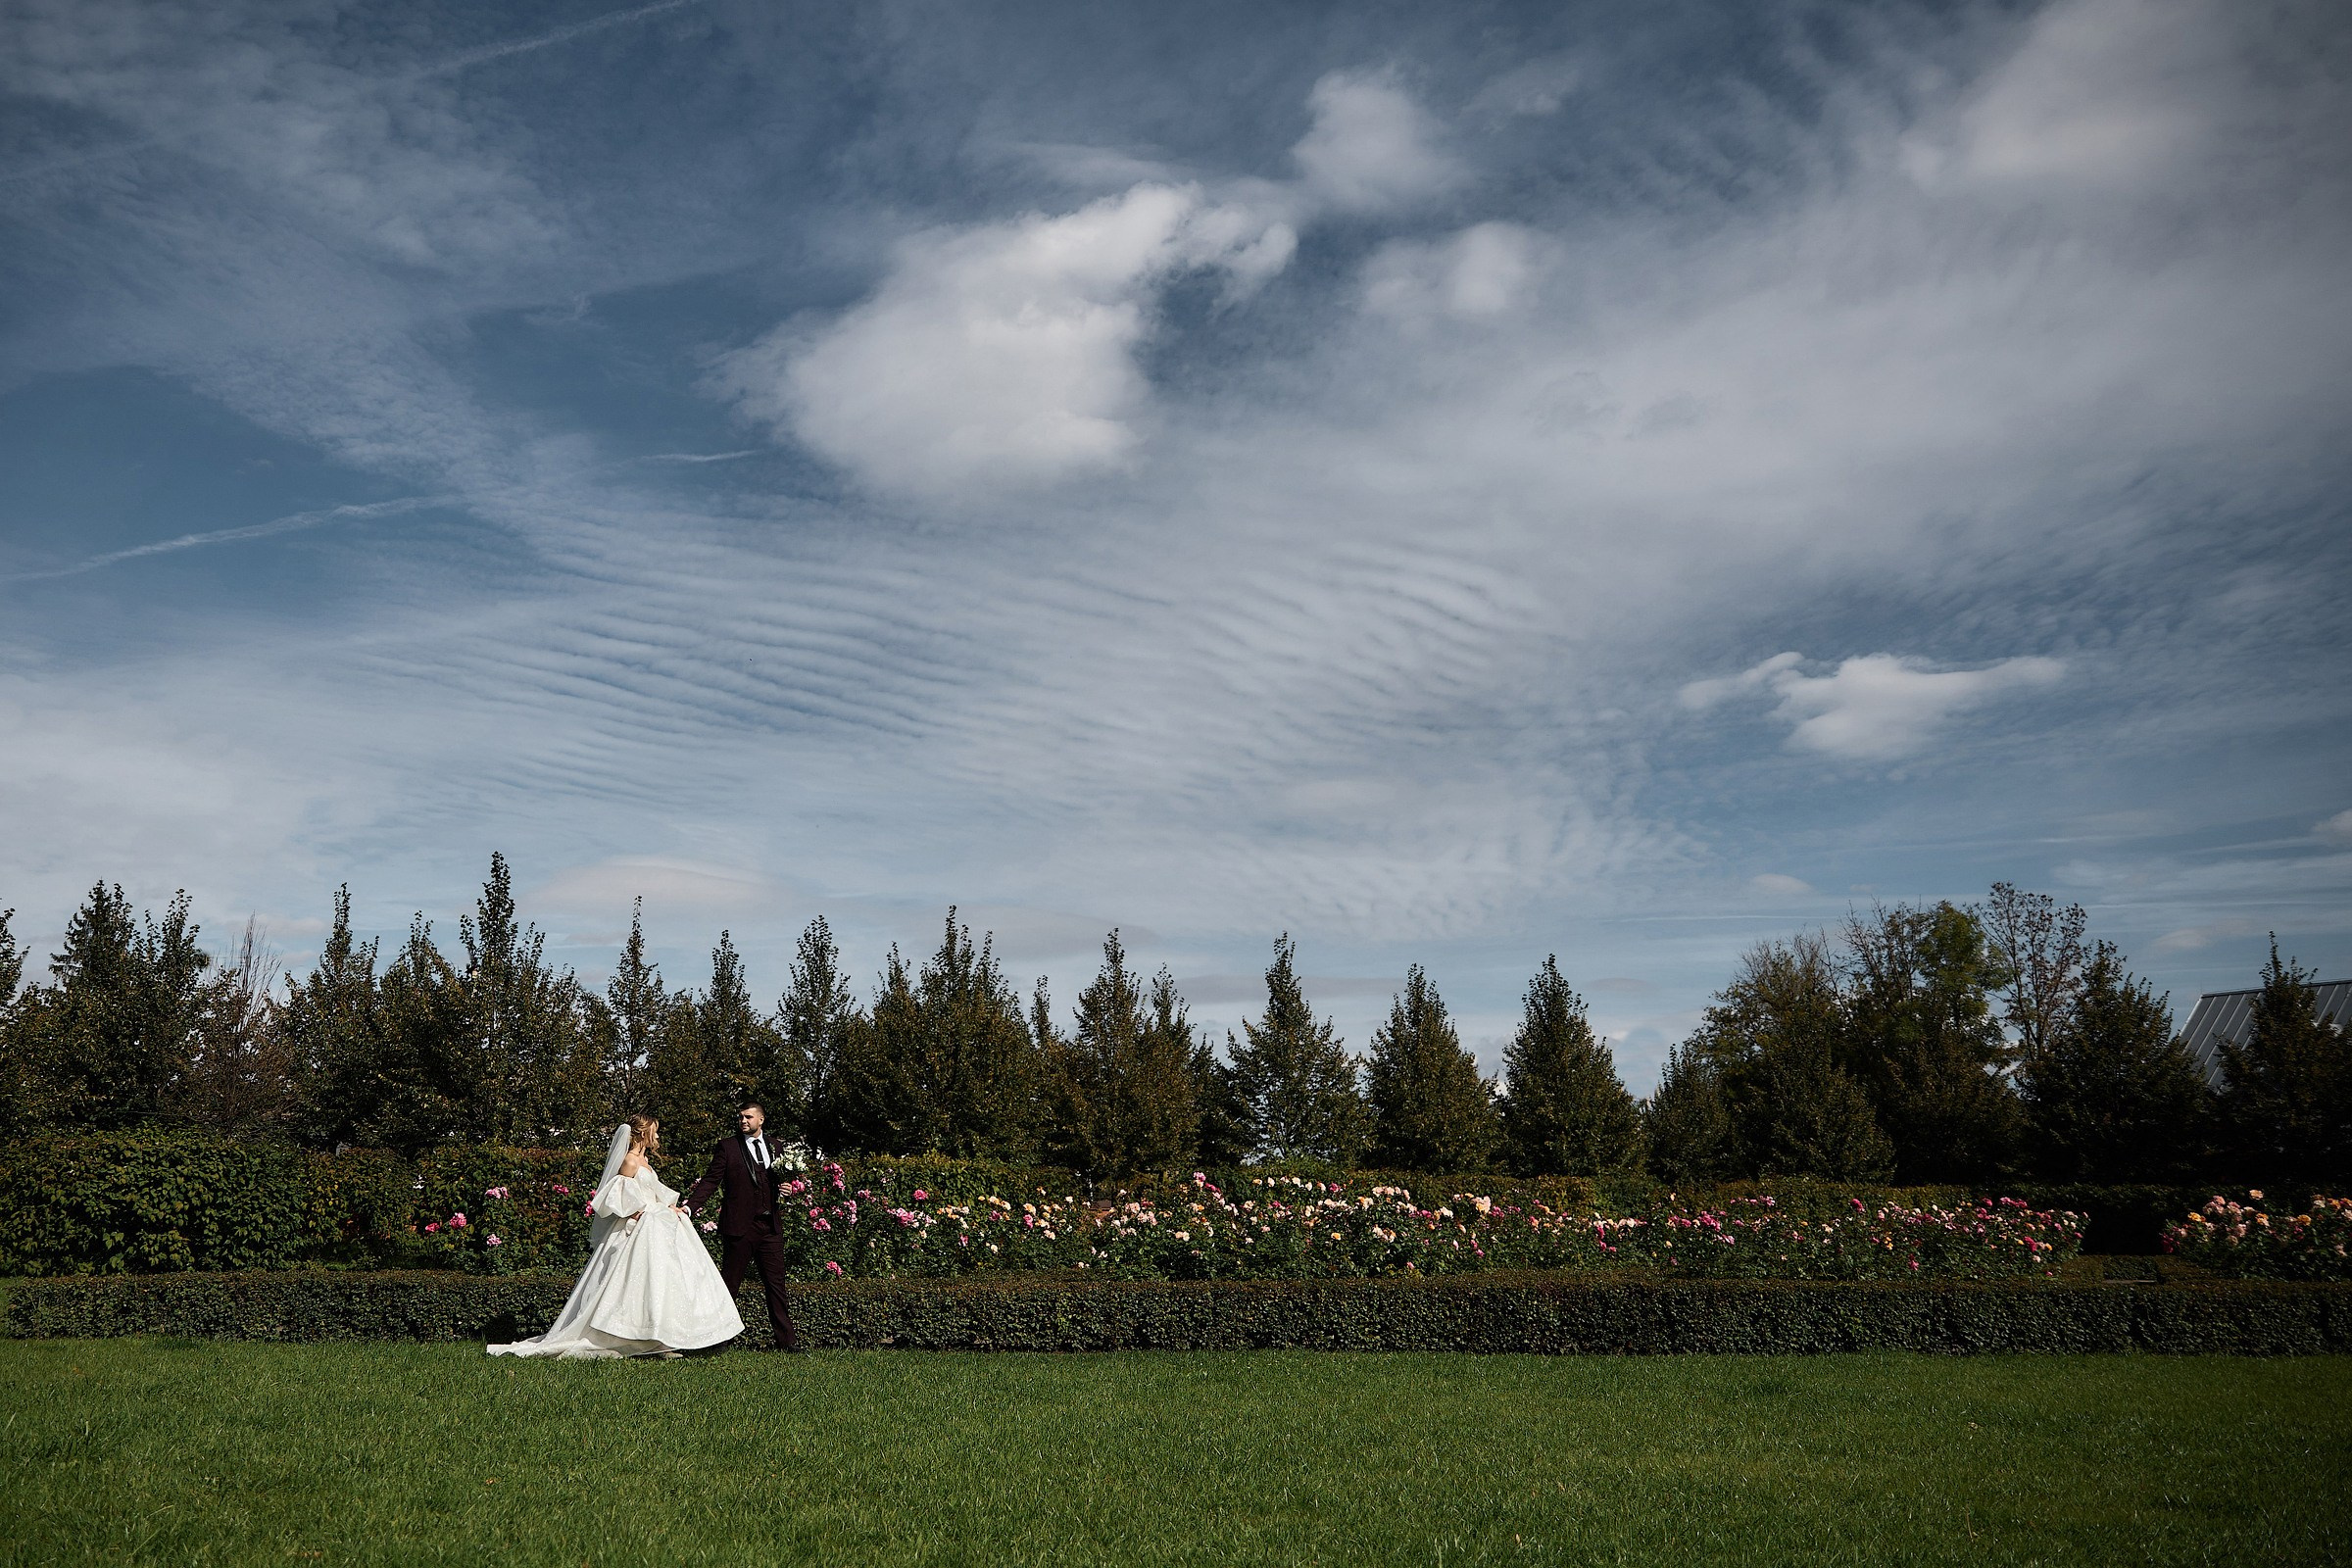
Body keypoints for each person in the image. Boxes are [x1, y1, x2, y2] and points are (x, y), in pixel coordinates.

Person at [487, 1115, 743, 1359]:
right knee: (634, 1282)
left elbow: (651, 1192)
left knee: (660, 1281)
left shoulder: (645, 1161)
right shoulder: (630, 1161)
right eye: (654, 1132)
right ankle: (634, 1336)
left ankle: (659, 1337)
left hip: (654, 1225)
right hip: (638, 1228)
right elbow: (620, 1196)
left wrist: (668, 1208)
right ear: (642, 1134)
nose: (657, 1137)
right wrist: (641, 1211)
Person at [682, 1102, 801, 1351]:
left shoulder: (776, 1146)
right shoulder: (728, 1147)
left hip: (770, 1227)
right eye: (740, 1117)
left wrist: (787, 1187)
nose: (743, 1121)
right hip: (739, 1227)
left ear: (761, 1119)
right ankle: (718, 1341)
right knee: (729, 1285)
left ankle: (787, 1342)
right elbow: (711, 1181)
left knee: (776, 1285)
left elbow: (782, 1179)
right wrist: (690, 1208)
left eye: (748, 1117)